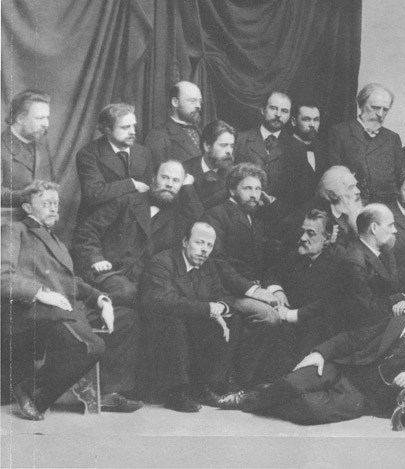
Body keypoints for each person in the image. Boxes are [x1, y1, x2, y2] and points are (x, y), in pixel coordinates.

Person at [236, 272, 405, 426]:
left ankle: (266, 396)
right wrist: (321, 353)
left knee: (310, 408)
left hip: (365, 395)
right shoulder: (399, 314)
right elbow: (356, 338)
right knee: (294, 382)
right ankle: (244, 400)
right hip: (346, 367)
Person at [2, 181, 142, 420]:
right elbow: (3, 277)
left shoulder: (56, 241)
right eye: (46, 203)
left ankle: (107, 392)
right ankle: (31, 391)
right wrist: (40, 292)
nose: (53, 208)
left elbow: (70, 282)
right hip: (31, 310)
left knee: (126, 319)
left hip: (62, 309)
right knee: (90, 346)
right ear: (27, 207)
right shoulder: (15, 230)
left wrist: (100, 299)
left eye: (56, 204)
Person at [139, 222, 244, 412]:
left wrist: (220, 307)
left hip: (192, 323)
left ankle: (207, 386)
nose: (204, 250)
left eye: (209, 245)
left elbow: (222, 295)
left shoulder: (207, 265)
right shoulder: (162, 262)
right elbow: (164, 302)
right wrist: (208, 309)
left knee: (233, 321)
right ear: (185, 242)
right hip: (159, 329)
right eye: (199, 243)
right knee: (174, 322)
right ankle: (176, 393)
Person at [72, 160, 203, 307]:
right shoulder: (127, 200)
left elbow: (202, 226)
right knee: (127, 294)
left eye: (176, 181)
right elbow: (87, 231)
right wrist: (96, 258)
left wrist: (188, 188)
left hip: (139, 285)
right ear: (153, 178)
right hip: (103, 272)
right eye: (165, 177)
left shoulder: (179, 219)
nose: (169, 184)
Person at [201, 163, 285, 328]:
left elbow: (266, 261)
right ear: (233, 190)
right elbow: (218, 262)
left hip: (254, 288)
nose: (254, 195)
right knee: (270, 317)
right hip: (227, 292)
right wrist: (254, 291)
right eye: (247, 188)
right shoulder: (216, 215)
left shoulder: (256, 219)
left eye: (258, 189)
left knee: (287, 311)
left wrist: (275, 289)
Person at [263, 209, 340, 355]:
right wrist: (277, 290)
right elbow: (272, 273)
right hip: (287, 324)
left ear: (326, 239)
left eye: (311, 233)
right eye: (302, 231)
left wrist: (291, 315)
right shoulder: (297, 254)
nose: (303, 238)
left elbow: (329, 303)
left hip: (317, 330)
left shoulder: (340, 262)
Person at [336, 203, 405, 330]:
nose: (395, 230)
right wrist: (402, 298)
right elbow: (368, 312)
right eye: (390, 225)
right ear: (374, 228)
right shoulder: (353, 262)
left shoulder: (385, 252)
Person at [75, 103, 154, 221]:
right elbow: (94, 194)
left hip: (134, 223)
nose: (133, 132)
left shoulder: (143, 152)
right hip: (99, 224)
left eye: (133, 126)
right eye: (125, 127)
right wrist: (132, 185)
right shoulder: (88, 154)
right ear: (108, 130)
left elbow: (148, 190)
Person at [326, 83, 403, 203]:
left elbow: (400, 178)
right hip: (352, 203)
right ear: (361, 105)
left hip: (385, 206)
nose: (380, 114)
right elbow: (333, 176)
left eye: (385, 109)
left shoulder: (392, 138)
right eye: (375, 107)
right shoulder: (340, 133)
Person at [277, 165, 363, 251]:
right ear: (332, 195)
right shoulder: (313, 210)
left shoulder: (363, 207)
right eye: (350, 188)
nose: (358, 191)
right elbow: (285, 229)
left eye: (356, 185)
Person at [234, 91, 294, 202]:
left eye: (284, 111)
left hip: (278, 211)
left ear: (289, 116)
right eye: (273, 108)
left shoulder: (296, 147)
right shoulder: (240, 140)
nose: (278, 114)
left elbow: (299, 192)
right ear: (263, 110)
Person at [1, 90, 54, 210]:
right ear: (20, 119)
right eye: (40, 118)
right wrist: (25, 195)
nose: (46, 124)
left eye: (47, 118)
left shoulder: (42, 148)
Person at [145, 81, 203, 167]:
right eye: (192, 101)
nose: (198, 106)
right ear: (175, 102)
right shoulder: (158, 135)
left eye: (200, 101)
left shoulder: (202, 132)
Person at [183, 120, 236, 209]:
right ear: (207, 146)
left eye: (231, 146)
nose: (229, 151)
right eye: (223, 145)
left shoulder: (234, 177)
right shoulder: (184, 169)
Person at [286, 101, 328, 208]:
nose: (312, 125)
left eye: (316, 120)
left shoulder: (323, 148)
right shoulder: (283, 147)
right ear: (294, 121)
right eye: (306, 119)